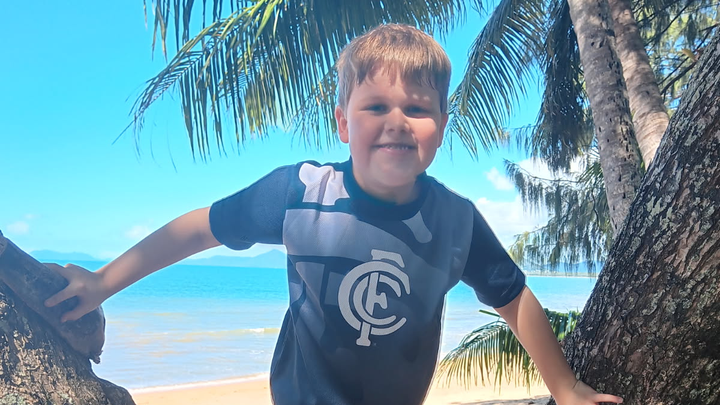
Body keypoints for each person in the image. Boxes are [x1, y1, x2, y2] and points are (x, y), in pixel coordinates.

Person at [45, 24, 623, 405]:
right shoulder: (298, 193)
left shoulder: (457, 221)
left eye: (417, 108)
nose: (397, 121)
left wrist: (565, 387)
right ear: (344, 123)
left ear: (441, 128)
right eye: (376, 106)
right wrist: (102, 283)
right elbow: (200, 228)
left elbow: (513, 296)